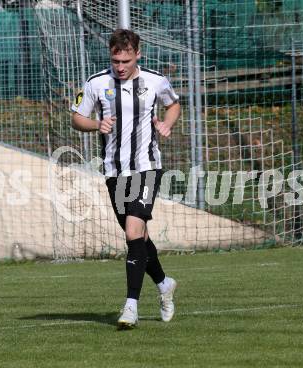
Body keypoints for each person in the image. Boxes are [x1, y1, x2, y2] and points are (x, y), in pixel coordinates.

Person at [71, 29, 181, 330]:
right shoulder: (96, 83)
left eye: (126, 60)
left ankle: (130, 305)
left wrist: (167, 124)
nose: (120, 66)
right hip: (114, 171)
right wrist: (96, 124)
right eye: (116, 60)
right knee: (139, 237)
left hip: (146, 167)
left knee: (133, 230)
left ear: (138, 55)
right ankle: (163, 283)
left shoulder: (155, 81)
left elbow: (173, 104)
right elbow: (77, 117)